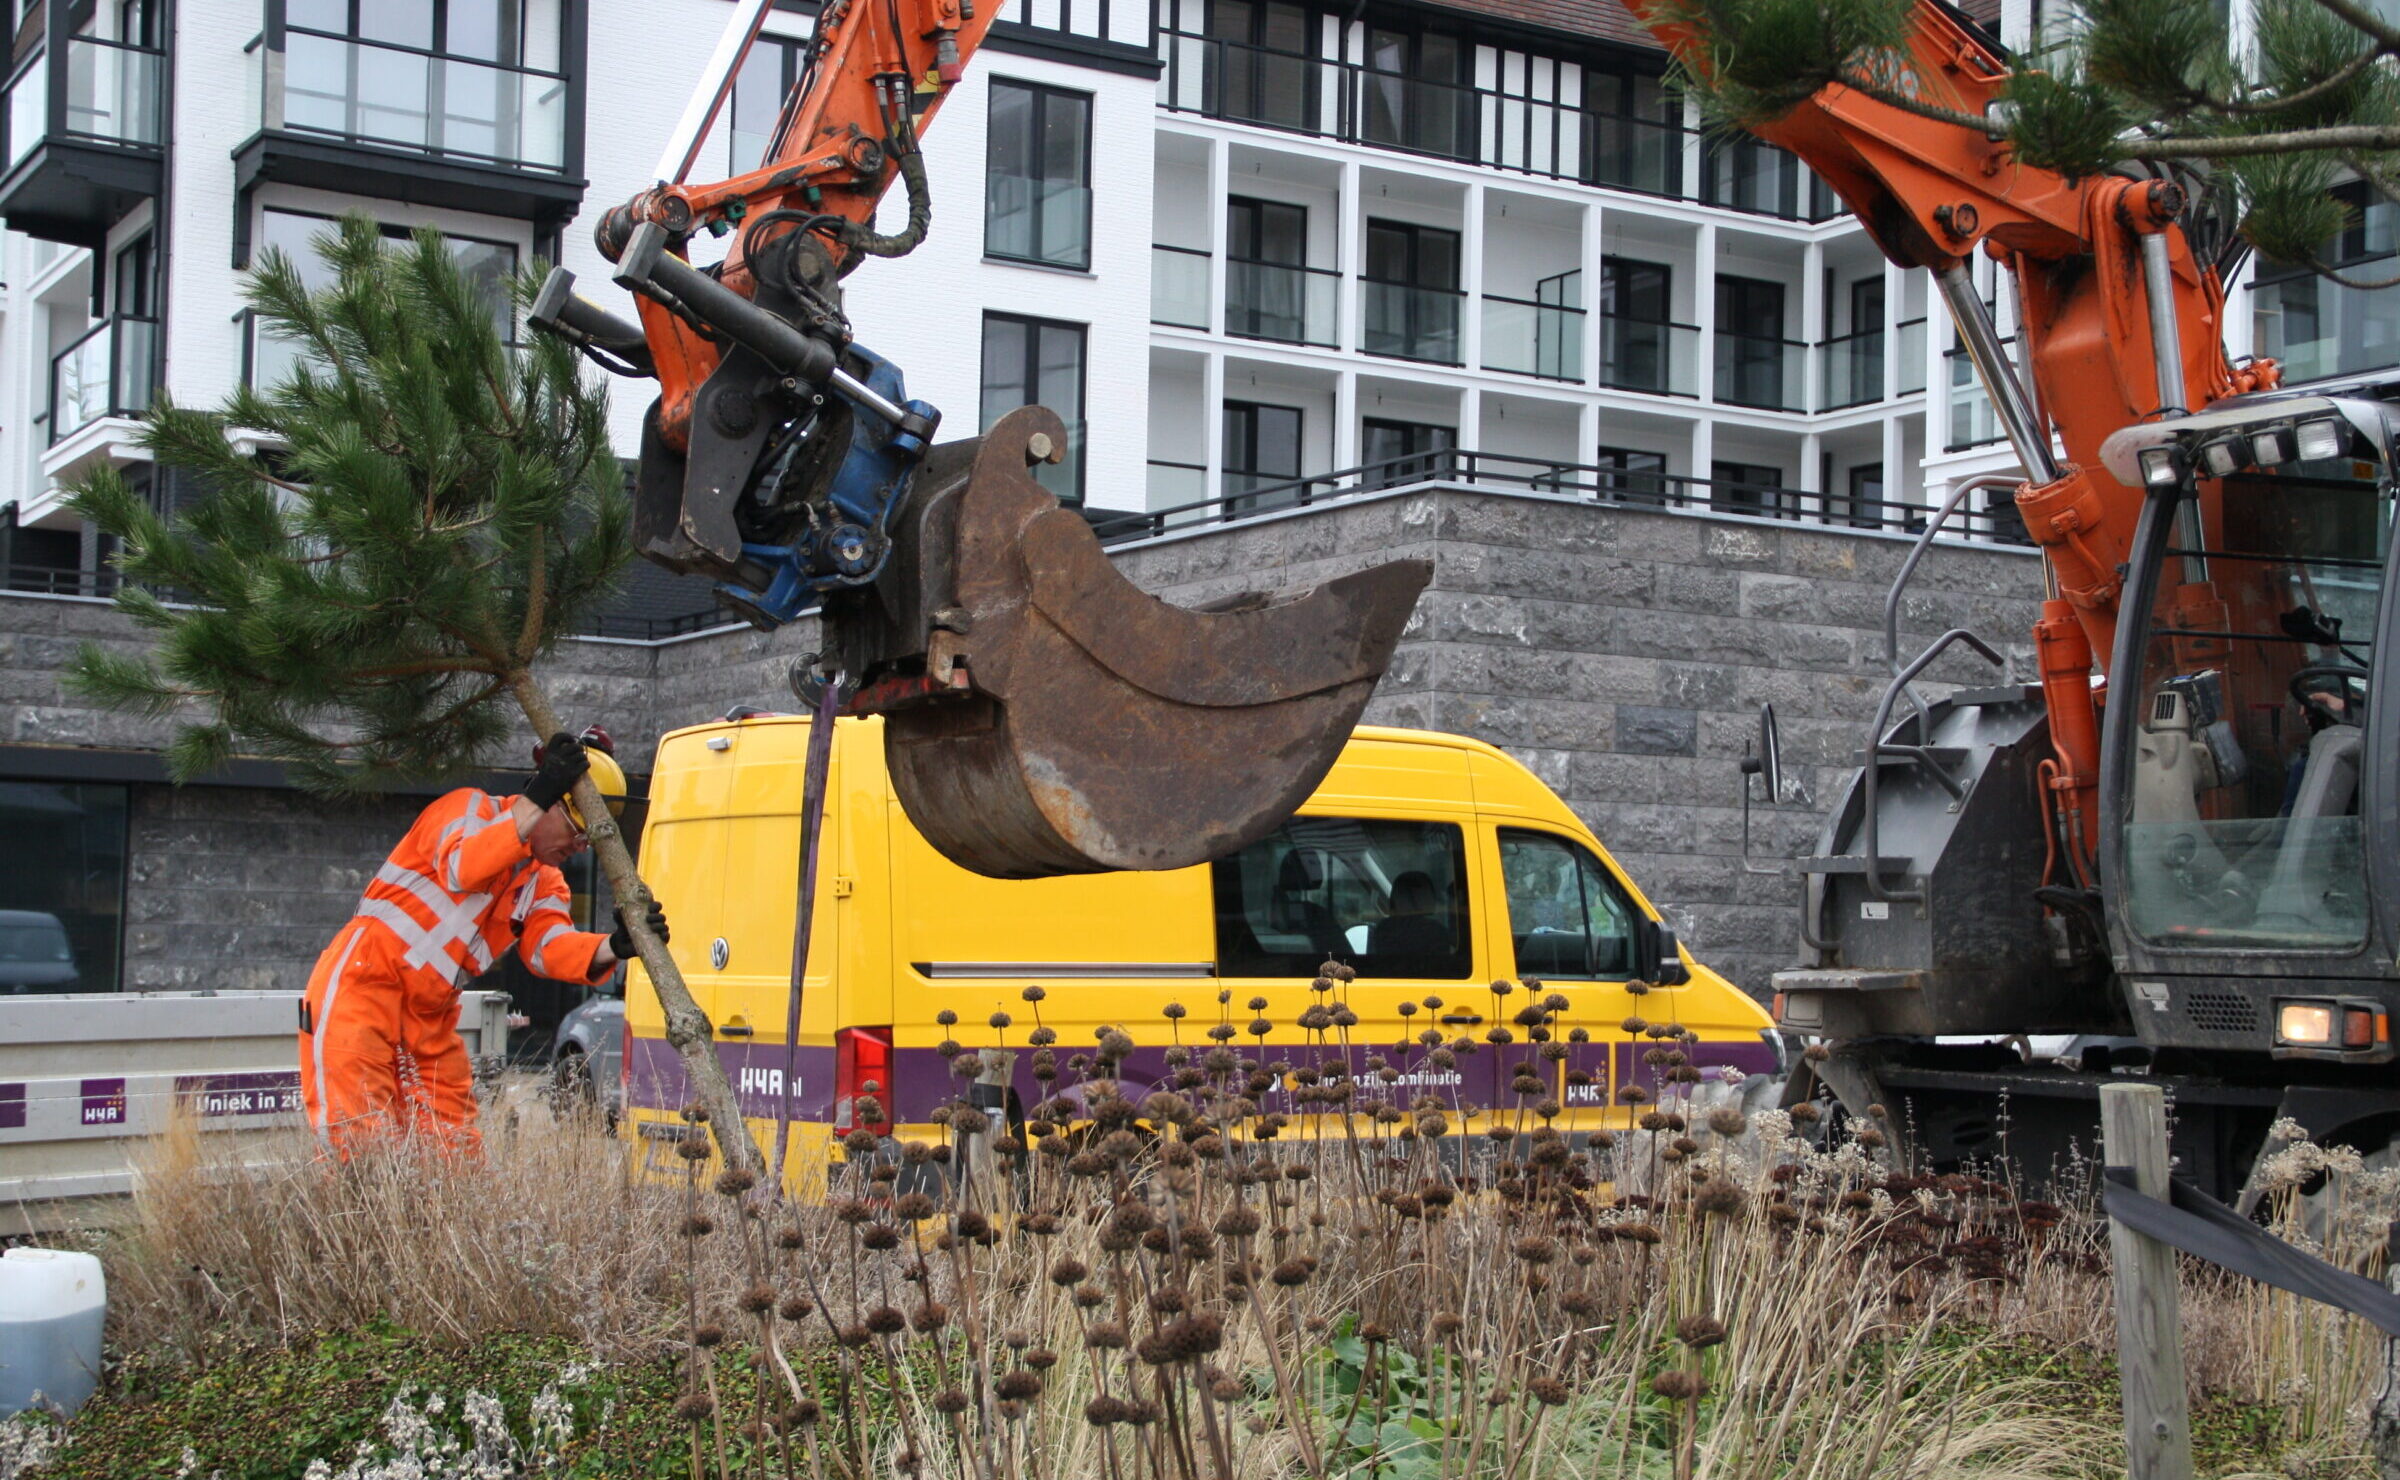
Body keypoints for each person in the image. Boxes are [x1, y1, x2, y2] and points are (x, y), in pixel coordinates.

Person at [296, 727, 668, 1156]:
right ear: (548, 803)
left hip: (430, 1014)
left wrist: (616, 946)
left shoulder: (543, 882)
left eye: (588, 839)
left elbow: (548, 949)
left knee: (455, 1155)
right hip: (363, 985)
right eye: (576, 831)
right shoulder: (468, 809)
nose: (580, 848)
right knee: (359, 1146)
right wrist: (542, 791)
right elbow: (464, 867)